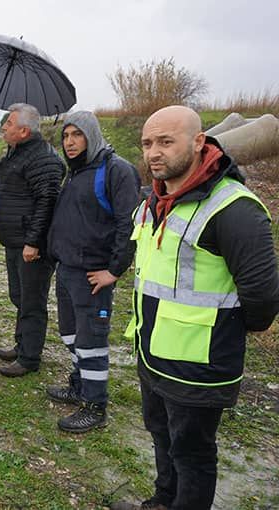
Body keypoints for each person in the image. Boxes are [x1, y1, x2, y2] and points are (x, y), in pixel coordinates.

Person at [111, 106, 279, 510]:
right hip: (152, 354)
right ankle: (162, 500)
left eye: (166, 142)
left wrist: (219, 336)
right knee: (160, 435)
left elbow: (263, 298)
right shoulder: (155, 199)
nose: (154, 152)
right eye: (148, 143)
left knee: (193, 455)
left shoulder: (234, 208)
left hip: (199, 367)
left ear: (199, 142)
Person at [45, 111, 140, 433]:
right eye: (66, 136)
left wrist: (114, 271)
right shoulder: (75, 172)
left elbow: (130, 224)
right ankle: (79, 386)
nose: (70, 142)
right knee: (70, 335)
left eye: (77, 135)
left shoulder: (116, 170)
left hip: (93, 276)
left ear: (92, 135)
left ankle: (95, 405)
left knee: (91, 341)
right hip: (67, 268)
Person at [0, 103, 64, 377]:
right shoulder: (18, 152)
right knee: (19, 295)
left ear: (24, 131)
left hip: (31, 245)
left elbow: (47, 203)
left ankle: (29, 358)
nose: (4, 127)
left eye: (9, 124)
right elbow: (5, 184)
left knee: (32, 301)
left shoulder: (44, 159)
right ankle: (22, 344)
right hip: (15, 240)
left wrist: (34, 242)